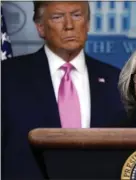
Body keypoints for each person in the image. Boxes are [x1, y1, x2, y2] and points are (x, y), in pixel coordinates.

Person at [1, 1, 123, 179]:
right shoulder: (6, 77)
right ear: (40, 28)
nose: (69, 25)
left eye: (76, 15)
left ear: (87, 24)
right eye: (57, 17)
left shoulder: (116, 80)